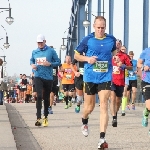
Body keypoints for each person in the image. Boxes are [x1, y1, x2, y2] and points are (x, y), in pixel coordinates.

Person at [74, 16, 116, 149]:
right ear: (94, 26)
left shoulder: (111, 39)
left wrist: (115, 56)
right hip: (90, 77)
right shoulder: (87, 39)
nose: (100, 30)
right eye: (98, 27)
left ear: (105, 27)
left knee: (104, 104)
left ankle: (102, 138)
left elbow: (113, 51)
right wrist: (87, 59)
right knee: (89, 108)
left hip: (105, 76)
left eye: (103, 27)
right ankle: (84, 120)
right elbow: (76, 55)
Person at [30, 34, 60, 127]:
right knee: (39, 96)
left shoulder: (51, 51)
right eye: (38, 43)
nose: (40, 44)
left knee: (46, 98)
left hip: (48, 78)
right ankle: (38, 118)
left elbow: (58, 62)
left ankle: (45, 117)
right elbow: (31, 60)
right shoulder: (34, 52)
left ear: (45, 41)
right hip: (38, 76)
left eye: (41, 42)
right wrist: (32, 65)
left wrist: (50, 64)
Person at [110, 43, 132, 127]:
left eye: (119, 44)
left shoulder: (125, 56)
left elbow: (131, 67)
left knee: (118, 100)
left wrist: (123, 65)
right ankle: (114, 117)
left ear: (121, 46)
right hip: (111, 80)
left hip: (120, 81)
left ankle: (115, 113)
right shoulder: (109, 55)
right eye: (115, 44)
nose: (117, 45)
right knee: (112, 98)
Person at [137, 48, 150, 135]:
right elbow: (139, 63)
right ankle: (146, 112)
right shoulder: (146, 51)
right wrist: (143, 67)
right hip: (146, 81)